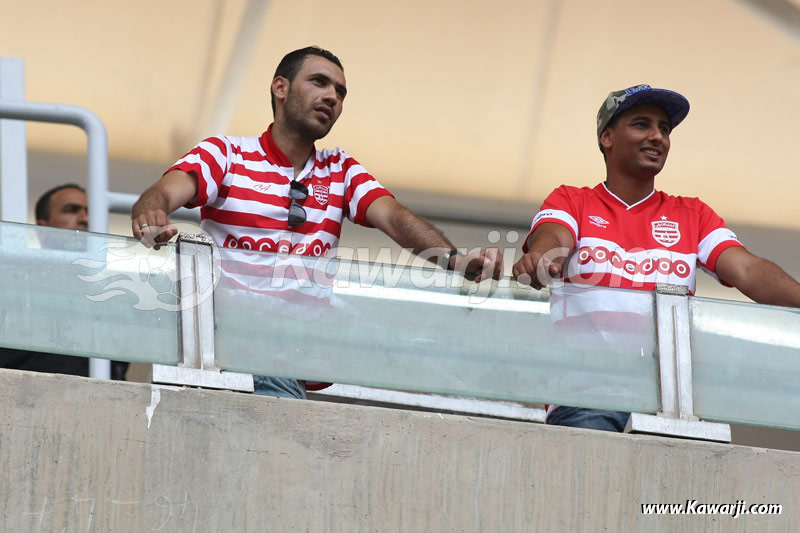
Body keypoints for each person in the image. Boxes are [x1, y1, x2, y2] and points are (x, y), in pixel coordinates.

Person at [131, 46, 503, 399]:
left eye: (340, 92)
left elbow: (393, 216)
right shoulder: (227, 153)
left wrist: (455, 260)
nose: (332, 97)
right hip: (217, 351)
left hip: (286, 360)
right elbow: (164, 193)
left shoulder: (340, 169)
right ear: (280, 87)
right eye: (319, 82)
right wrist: (152, 213)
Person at [512, 84, 800, 432]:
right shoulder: (572, 200)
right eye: (642, 124)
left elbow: (748, 270)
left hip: (672, 406)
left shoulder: (692, 213)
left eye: (664, 128)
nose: (657, 137)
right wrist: (542, 259)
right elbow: (553, 238)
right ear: (607, 137)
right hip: (586, 398)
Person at [1, 184, 127, 380]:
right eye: (71, 210)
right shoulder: (15, 287)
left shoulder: (112, 294)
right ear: (43, 230)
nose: (85, 219)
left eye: (88, 212)